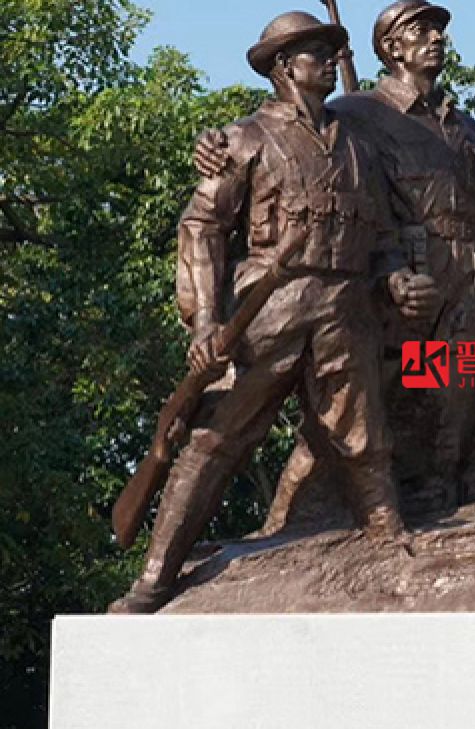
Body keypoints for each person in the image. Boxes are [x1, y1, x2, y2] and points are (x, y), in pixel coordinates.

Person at [111, 11, 409, 613]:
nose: (330, 62)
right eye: (315, 53)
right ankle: (156, 575)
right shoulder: (243, 139)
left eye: (331, 52)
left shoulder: (358, 145)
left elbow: (383, 234)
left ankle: (391, 538)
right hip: (266, 311)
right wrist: (204, 321)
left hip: (344, 309)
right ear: (284, 67)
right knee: (214, 440)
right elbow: (202, 227)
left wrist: (395, 274)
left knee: (365, 436)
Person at [195, 1, 475, 512]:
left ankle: (442, 505)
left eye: (438, 30)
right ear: (392, 48)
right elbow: (290, 131)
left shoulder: (466, 128)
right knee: (356, 412)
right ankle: (290, 517)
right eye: (421, 30)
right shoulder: (358, 113)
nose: (437, 38)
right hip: (397, 286)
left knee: (456, 402)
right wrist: (213, 144)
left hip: (468, 285)